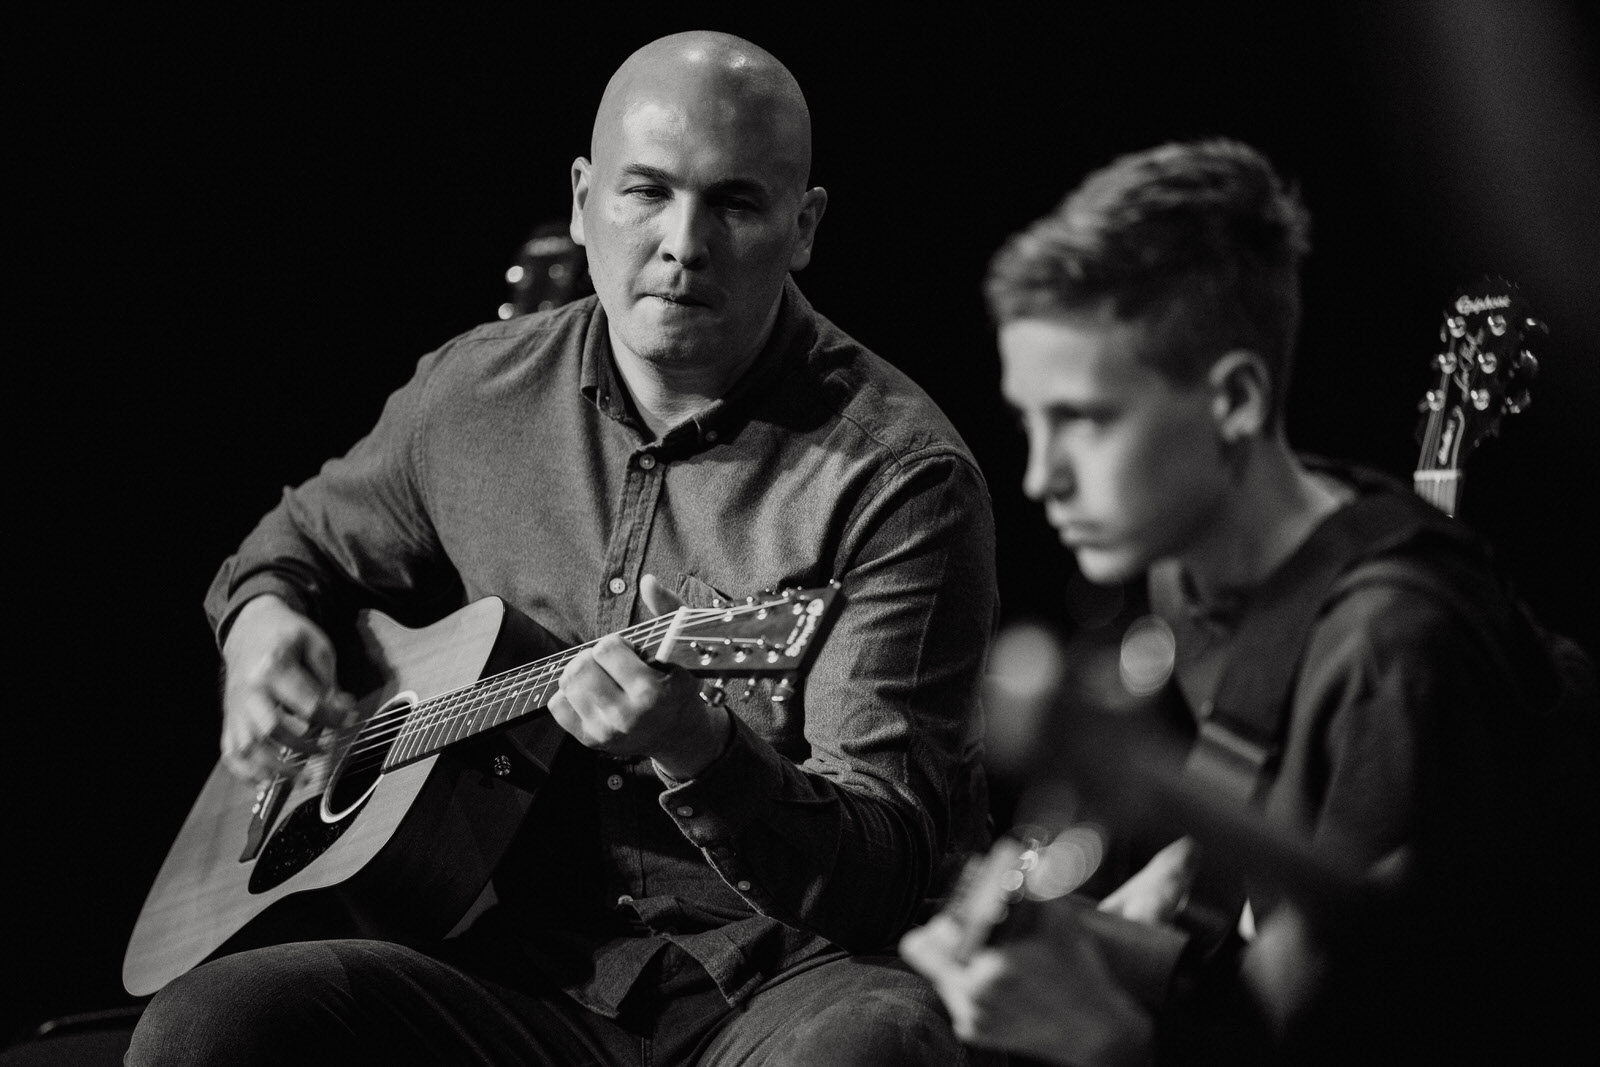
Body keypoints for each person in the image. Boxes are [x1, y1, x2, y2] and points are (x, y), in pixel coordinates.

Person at [128, 31, 997, 1067]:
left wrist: (700, 748)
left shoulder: (898, 475)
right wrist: (260, 625)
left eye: (733, 203)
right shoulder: (474, 394)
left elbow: (885, 868)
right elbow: (298, 540)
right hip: (522, 970)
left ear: (802, 227)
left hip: (787, 977)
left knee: (873, 1047)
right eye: (646, 192)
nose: (683, 243)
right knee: (206, 1025)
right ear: (584, 200)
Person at [902, 138, 1588, 1064]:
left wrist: (1100, 1036)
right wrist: (1089, 937)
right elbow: (1274, 942)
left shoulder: (1392, 653)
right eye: (1029, 420)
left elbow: (1381, 1030)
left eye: (1083, 419)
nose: (1038, 477)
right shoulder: (1192, 578)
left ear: (1233, 399)